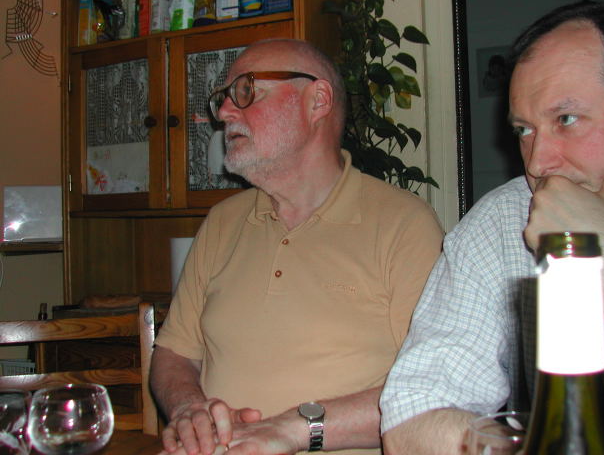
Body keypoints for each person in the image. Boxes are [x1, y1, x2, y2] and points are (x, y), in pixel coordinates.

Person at [150, 38, 444, 455]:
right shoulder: (222, 223)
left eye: (246, 90)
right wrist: (188, 410)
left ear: (317, 100)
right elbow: (174, 354)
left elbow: (435, 389)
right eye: (224, 98)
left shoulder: (404, 225)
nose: (225, 112)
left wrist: (290, 430)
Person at [380, 1, 604, 454]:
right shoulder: (502, 221)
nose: (537, 163)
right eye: (524, 130)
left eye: (566, 120)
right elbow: (410, 420)